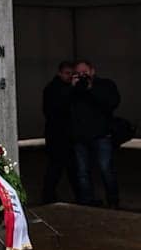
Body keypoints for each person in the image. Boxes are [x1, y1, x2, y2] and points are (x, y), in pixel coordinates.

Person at [69, 60, 121, 208]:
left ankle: (113, 201)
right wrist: (72, 89)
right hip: (80, 137)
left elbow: (112, 103)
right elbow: (62, 108)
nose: (82, 76)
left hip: (101, 135)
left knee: (106, 170)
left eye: (84, 72)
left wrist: (91, 89)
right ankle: (87, 201)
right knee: (82, 172)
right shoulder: (73, 90)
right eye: (78, 74)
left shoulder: (105, 85)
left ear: (92, 71)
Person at [41, 60, 75, 203]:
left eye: (71, 74)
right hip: (58, 135)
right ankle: (48, 195)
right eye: (67, 73)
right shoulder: (53, 89)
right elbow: (53, 111)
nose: (70, 76)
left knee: (70, 168)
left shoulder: (63, 88)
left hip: (66, 134)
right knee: (56, 167)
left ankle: (81, 196)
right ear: (59, 73)